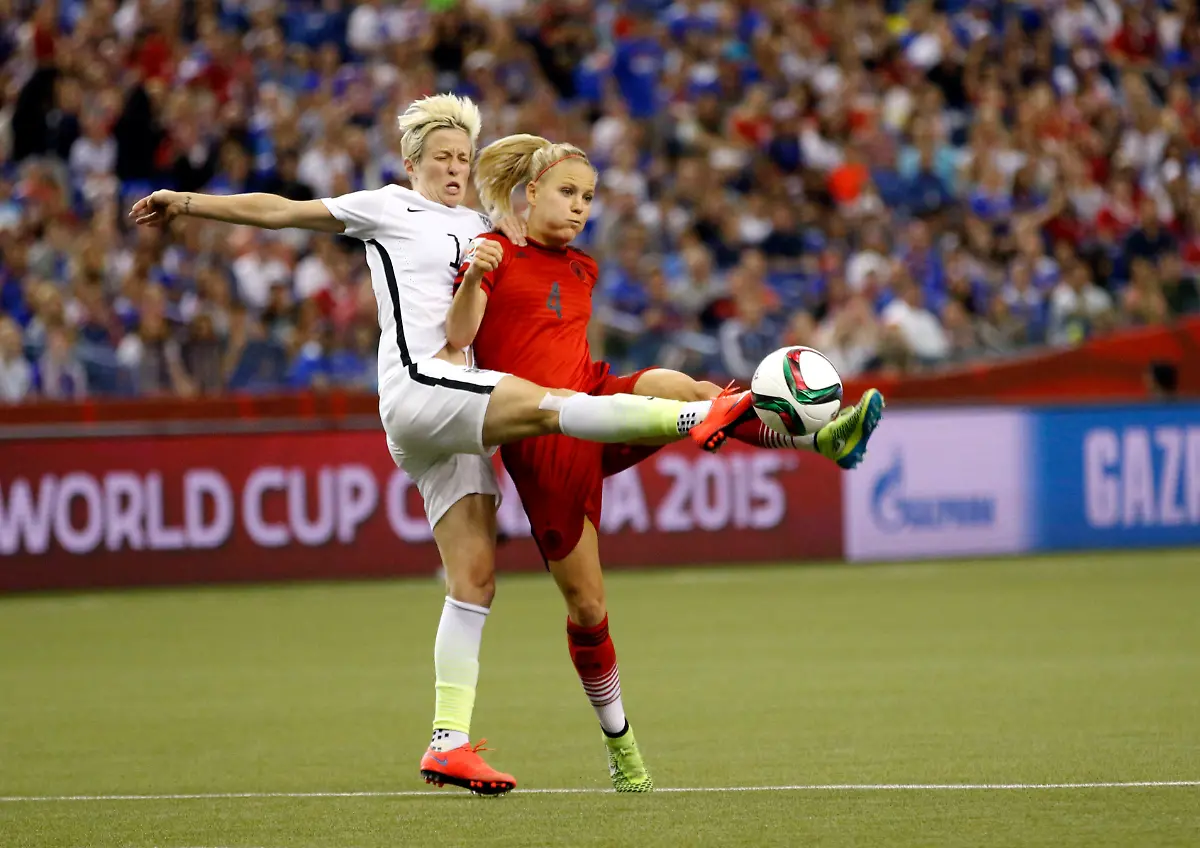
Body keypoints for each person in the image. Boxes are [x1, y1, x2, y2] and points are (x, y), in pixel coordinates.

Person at [129, 94, 753, 797]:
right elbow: (285, 211)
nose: (454, 167)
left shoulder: (485, 225)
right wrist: (188, 202)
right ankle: (692, 422)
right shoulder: (388, 207)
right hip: (424, 384)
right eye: (442, 157)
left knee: (476, 578)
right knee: (555, 409)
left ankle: (447, 742)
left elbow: (538, 216)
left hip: (452, 420)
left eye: (463, 156)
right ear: (412, 163)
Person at [443, 133, 886, 792]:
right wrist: (478, 272)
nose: (579, 208)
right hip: (543, 439)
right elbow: (458, 338)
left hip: (595, 395)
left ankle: (820, 440)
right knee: (589, 610)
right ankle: (620, 742)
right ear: (530, 192)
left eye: (589, 198)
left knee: (687, 389)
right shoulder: (492, 253)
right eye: (567, 193)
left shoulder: (583, 268)